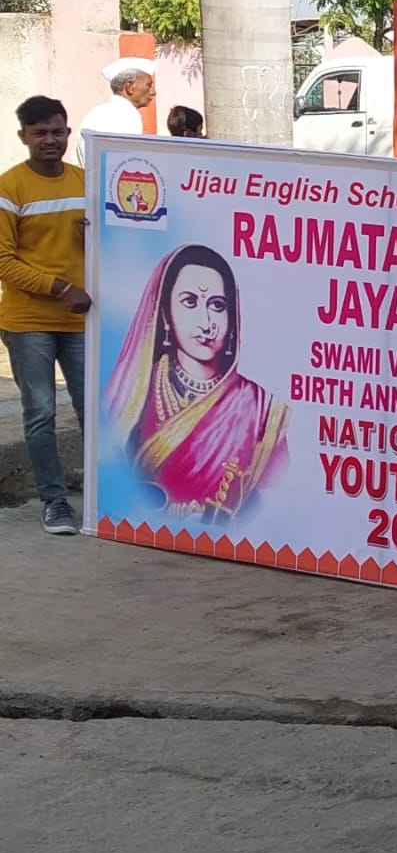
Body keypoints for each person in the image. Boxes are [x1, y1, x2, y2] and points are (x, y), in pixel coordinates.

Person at [102, 244, 289, 522]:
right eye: (189, 302)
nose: (206, 323)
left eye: (217, 306)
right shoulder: (133, 392)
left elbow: (275, 498)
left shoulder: (261, 409)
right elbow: (112, 471)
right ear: (165, 314)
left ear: (232, 317)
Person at [0, 96, 91, 535]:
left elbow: (110, 244)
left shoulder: (86, 182)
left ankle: (104, 496)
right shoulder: (10, 187)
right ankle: (54, 502)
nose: (49, 140)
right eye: (40, 133)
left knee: (94, 411)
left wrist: (94, 238)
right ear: (24, 137)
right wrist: (60, 287)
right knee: (41, 415)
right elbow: (3, 261)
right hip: (28, 322)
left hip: (81, 321)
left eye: (57, 132)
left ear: (68, 133)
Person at [76, 57, 155, 164]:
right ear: (130, 87)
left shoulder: (96, 113)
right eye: (148, 85)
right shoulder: (125, 116)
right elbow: (125, 163)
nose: (153, 92)